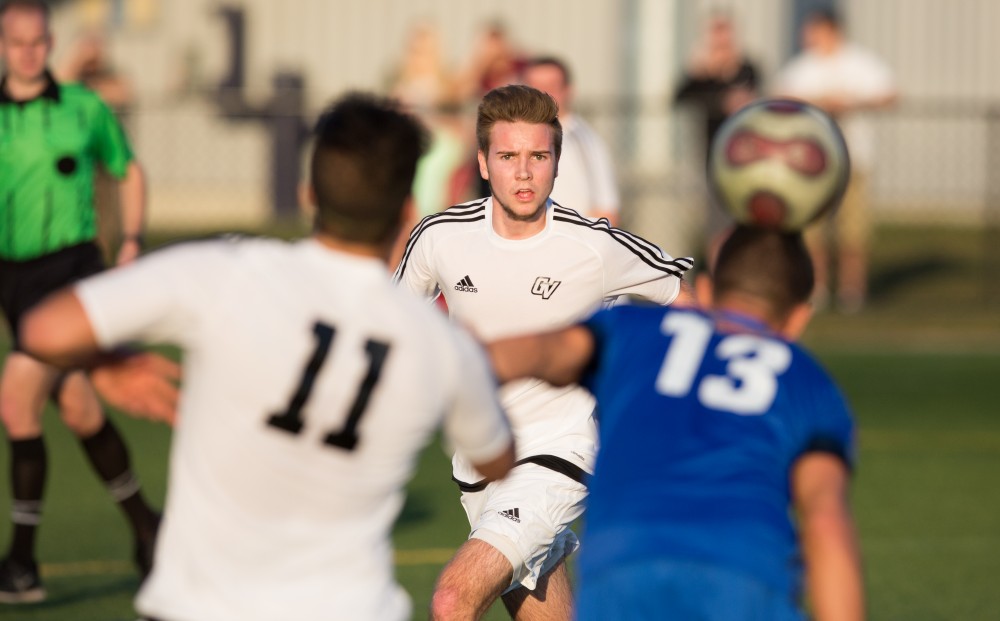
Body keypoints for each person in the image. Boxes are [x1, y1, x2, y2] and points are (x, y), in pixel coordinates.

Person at [18, 93, 516, 621]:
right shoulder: (437, 342)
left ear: (308, 196)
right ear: (408, 211)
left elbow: (46, 327)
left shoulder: (229, 270)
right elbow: (495, 458)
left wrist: (109, 364)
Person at [393, 84, 693, 620]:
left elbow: (687, 300)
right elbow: (388, 327)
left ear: (557, 163)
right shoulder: (439, 237)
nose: (525, 172)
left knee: (452, 599)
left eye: (539, 156)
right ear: (483, 163)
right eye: (508, 156)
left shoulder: (594, 246)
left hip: (561, 451)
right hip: (480, 460)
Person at [489, 225, 864, 621]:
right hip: (742, 576)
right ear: (799, 318)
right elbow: (825, 519)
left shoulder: (632, 329)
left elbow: (538, 351)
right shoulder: (808, 381)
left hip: (623, 571)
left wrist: (471, 400)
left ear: (703, 290)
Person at [0, 0, 157, 603]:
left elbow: (129, 169)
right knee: (79, 410)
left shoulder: (81, 107)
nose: (30, 52)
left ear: (49, 41)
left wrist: (133, 241)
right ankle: (149, 529)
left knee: (16, 404)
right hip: (12, 281)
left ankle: (19, 565)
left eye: (38, 41)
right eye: (18, 43)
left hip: (69, 273)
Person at [774, 8, 897, 312]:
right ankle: (817, 287)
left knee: (853, 229)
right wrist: (819, 103)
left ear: (830, 30)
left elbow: (889, 94)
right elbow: (781, 97)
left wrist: (852, 102)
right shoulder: (803, 67)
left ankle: (852, 291)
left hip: (854, 158)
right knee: (812, 227)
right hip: (811, 164)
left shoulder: (859, 62)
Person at [673, 10, 760, 267]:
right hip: (715, 156)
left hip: (747, 157)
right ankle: (718, 272)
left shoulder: (746, 68)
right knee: (717, 222)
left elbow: (756, 94)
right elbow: (680, 98)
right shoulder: (702, 74)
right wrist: (699, 73)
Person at [521, 56, 621, 225]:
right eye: (534, 87)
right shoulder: (512, 136)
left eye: (551, 87)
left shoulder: (583, 139)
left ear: (568, 90)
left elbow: (606, 210)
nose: (542, 94)